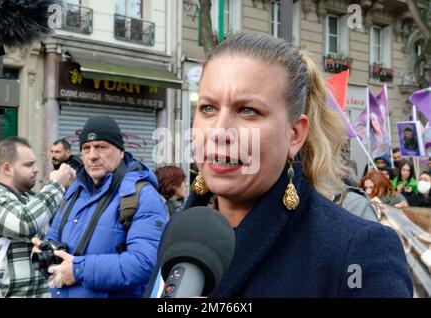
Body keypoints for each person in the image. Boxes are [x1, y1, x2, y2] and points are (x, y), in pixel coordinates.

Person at [147, 33, 412, 297]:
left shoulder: (360, 249)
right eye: (207, 108)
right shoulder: (180, 232)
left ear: (294, 134)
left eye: (247, 110)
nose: (218, 132)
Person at [33, 116, 167, 298]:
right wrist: (45, 251)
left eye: (101, 147)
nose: (92, 155)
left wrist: (79, 269)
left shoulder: (142, 196)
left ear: (120, 151)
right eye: (86, 148)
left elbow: (144, 263)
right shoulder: (74, 192)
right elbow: (54, 238)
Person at [0, 137, 75, 297]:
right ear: (7, 168)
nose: (36, 169)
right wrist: (57, 184)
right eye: (28, 165)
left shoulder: (30, 199)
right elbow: (24, 222)